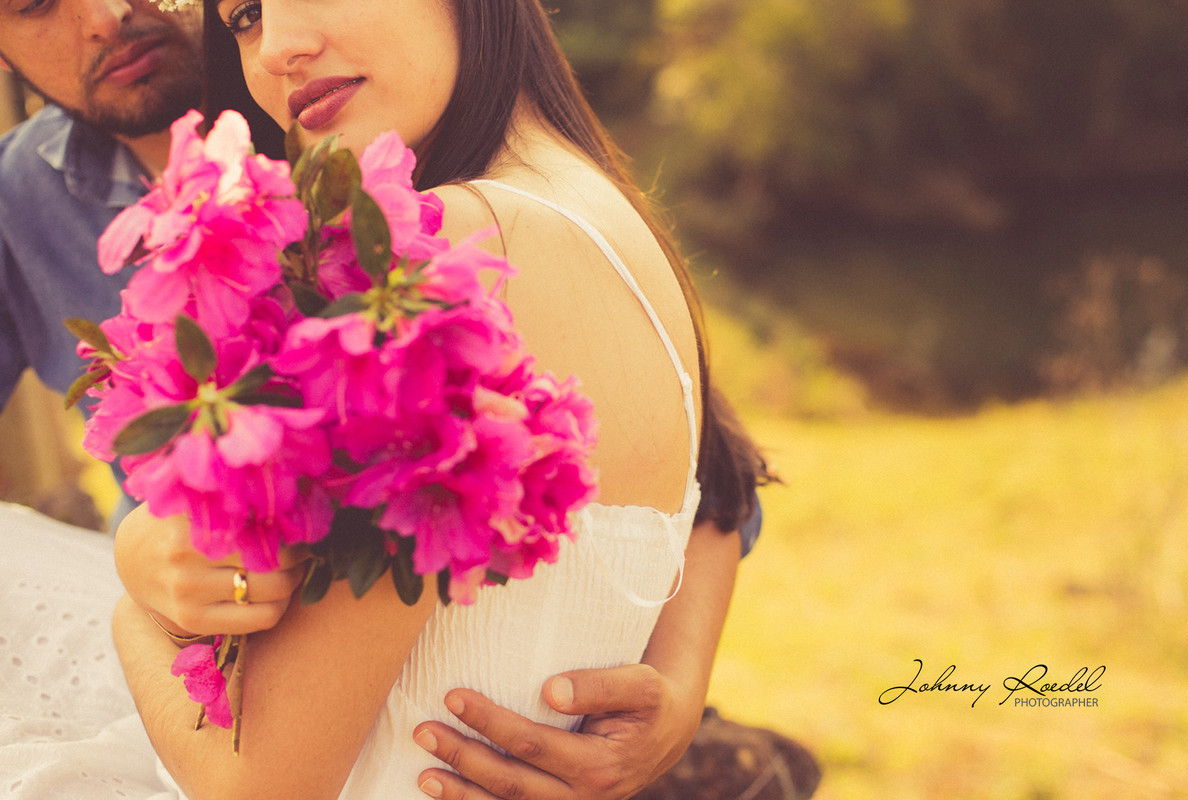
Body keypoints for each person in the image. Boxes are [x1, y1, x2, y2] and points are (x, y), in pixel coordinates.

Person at [0, 3, 774, 799]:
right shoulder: (569, 199)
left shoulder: (424, 243)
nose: (278, 51)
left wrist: (131, 611)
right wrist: (146, 556)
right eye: (248, 17)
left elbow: (259, 783)